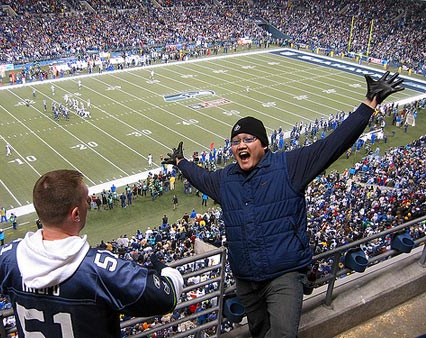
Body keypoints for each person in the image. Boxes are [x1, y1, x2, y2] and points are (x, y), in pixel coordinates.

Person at [163, 72, 404, 338]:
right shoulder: (225, 180)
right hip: (246, 279)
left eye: (248, 139)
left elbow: (333, 144)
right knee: (260, 332)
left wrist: (369, 104)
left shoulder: (289, 166)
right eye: (235, 141)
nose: (241, 145)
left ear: (264, 145)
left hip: (284, 275)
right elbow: (201, 177)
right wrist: (180, 164)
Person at [0, 169, 184, 338]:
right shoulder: (99, 269)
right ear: (75, 214)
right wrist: (168, 271)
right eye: (86, 199)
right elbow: (167, 297)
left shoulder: (7, 258)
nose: (89, 203)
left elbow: (0, 283)